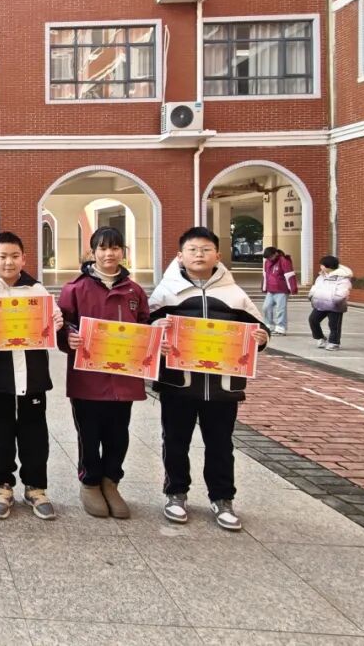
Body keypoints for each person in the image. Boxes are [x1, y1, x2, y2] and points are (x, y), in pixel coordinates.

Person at [149, 226, 269, 532]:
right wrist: (156, 333)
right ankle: (176, 493)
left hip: (223, 387)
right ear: (180, 256)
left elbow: (259, 330)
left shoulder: (235, 295)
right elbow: (148, 330)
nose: (199, 255)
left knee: (220, 445)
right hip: (179, 384)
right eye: (192, 250)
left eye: (206, 249)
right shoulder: (166, 293)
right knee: (175, 442)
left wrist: (261, 338)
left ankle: (222, 498)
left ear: (218, 255)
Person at [0, 231, 62, 521]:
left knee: (34, 431)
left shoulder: (37, 291)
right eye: (2, 256)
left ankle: (35, 487)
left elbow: (55, 321)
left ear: (24, 259)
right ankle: (2, 486)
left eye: (14, 256)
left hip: (32, 374)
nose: (9, 262)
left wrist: (57, 321)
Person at [57, 227, 149, 519]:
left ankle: (111, 482)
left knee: (118, 434)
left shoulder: (134, 291)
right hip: (88, 379)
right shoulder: (75, 289)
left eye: (115, 248)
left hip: (124, 379)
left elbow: (145, 325)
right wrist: (68, 337)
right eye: (103, 248)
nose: (109, 254)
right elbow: (62, 324)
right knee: (89, 433)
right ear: (93, 252)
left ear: (123, 251)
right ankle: (90, 482)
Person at [308, 255, 352, 351]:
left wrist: (334, 300)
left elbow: (343, 292)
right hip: (320, 303)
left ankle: (334, 342)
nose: (320, 266)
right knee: (313, 320)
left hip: (335, 306)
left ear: (328, 266)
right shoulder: (321, 276)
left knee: (334, 325)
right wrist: (311, 295)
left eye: (322, 265)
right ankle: (320, 338)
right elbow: (315, 287)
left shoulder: (342, 278)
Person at [261, 246, 296, 335]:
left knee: (280, 309)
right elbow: (265, 275)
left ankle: (281, 328)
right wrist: (264, 287)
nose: (269, 259)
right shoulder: (267, 262)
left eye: (270, 257)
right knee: (266, 307)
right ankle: (269, 326)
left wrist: (293, 288)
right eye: (267, 258)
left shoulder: (284, 261)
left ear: (275, 253)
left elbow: (290, 275)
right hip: (271, 289)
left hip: (282, 290)